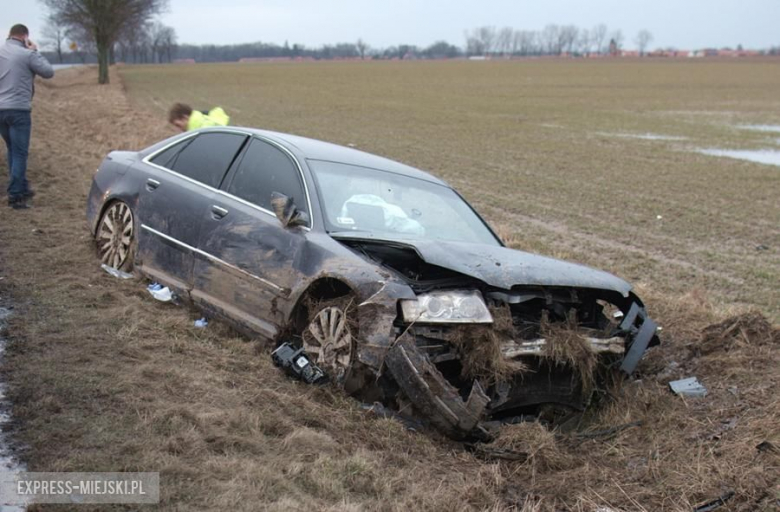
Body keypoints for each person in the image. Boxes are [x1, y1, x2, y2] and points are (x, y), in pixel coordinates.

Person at [0, 24, 54, 209]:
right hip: (19, 110)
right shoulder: (27, 54)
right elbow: (48, 72)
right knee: (20, 152)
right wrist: (35, 51)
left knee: (12, 149)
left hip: (0, 109)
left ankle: (21, 186)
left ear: (10, 35)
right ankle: (16, 195)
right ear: (25, 37)